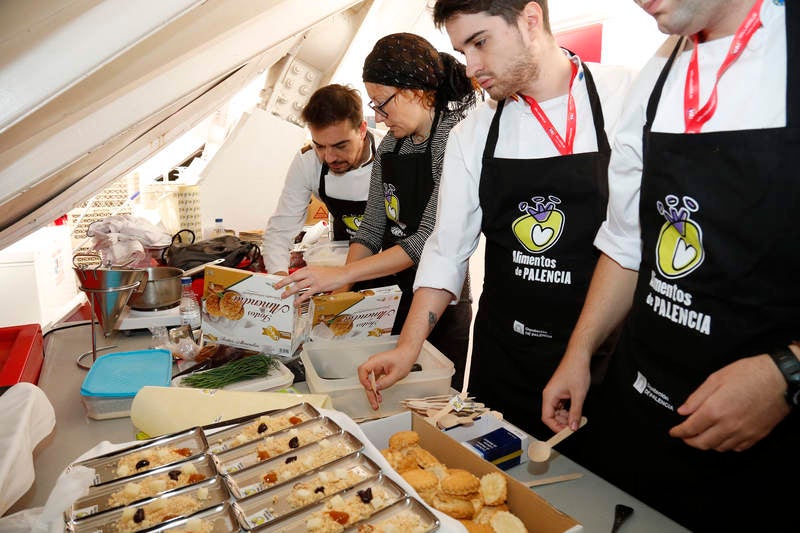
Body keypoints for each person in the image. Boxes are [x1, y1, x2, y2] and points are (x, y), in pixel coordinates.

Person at [542, 0, 798, 530]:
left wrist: (789, 372)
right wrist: (579, 353)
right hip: (638, 405)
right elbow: (627, 243)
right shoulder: (657, 73)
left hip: (763, 437)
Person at [355, 0, 635, 439]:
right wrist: (408, 347)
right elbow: (447, 248)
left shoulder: (625, 97)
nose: (472, 67)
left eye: (480, 43)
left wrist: (580, 352)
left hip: (603, 354)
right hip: (506, 354)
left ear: (529, 20)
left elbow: (634, 241)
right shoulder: (476, 130)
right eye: (463, 50)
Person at [275, 33, 478, 388]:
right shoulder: (390, 147)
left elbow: (425, 239)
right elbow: (371, 228)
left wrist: (338, 276)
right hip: (397, 294)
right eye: (374, 105)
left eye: (383, 103)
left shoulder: (452, 137)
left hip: (442, 303)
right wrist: (345, 289)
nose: (379, 115)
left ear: (416, 92)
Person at [262, 84, 382, 276]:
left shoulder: (391, 153)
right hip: (342, 267)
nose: (329, 157)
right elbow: (280, 233)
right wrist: (279, 279)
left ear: (361, 130)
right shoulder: (307, 162)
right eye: (319, 146)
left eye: (340, 146)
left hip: (391, 268)